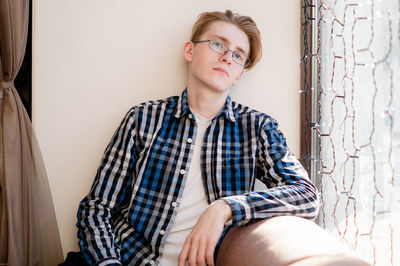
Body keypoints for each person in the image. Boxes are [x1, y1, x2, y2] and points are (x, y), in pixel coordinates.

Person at [76, 9, 319, 266]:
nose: (227, 57)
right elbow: (97, 208)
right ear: (190, 51)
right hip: (130, 260)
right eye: (218, 44)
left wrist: (224, 208)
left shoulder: (258, 128)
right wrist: (108, 263)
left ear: (239, 75)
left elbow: (306, 194)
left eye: (238, 55)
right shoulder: (142, 119)